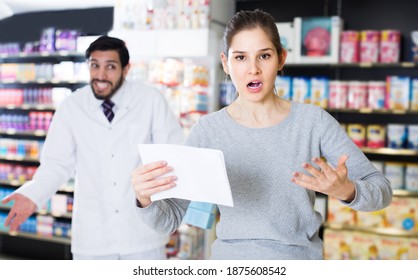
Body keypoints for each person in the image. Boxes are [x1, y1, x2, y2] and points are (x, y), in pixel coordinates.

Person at [131, 9, 393, 260]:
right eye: (241, 57)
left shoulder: (313, 122)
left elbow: (382, 191)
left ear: (281, 59)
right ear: (226, 62)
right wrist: (144, 198)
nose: (253, 69)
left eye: (264, 56)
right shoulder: (208, 131)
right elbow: (169, 220)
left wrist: (346, 190)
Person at [1, 35, 184, 260]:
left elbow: (172, 155)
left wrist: (173, 210)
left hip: (142, 236)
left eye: (110, 67)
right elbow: (56, 164)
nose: (100, 75)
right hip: (93, 237)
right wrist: (33, 195)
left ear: (126, 69)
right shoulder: (72, 106)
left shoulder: (150, 100)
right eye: (95, 66)